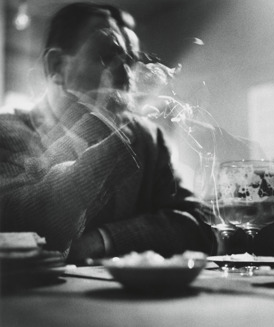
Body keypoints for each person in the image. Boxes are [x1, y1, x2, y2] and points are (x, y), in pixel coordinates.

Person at [0, 2, 216, 262]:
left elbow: (200, 225)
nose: (126, 75)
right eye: (105, 57)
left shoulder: (146, 138)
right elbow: (32, 220)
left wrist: (104, 239)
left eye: (129, 61)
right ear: (56, 66)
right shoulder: (9, 132)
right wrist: (99, 119)